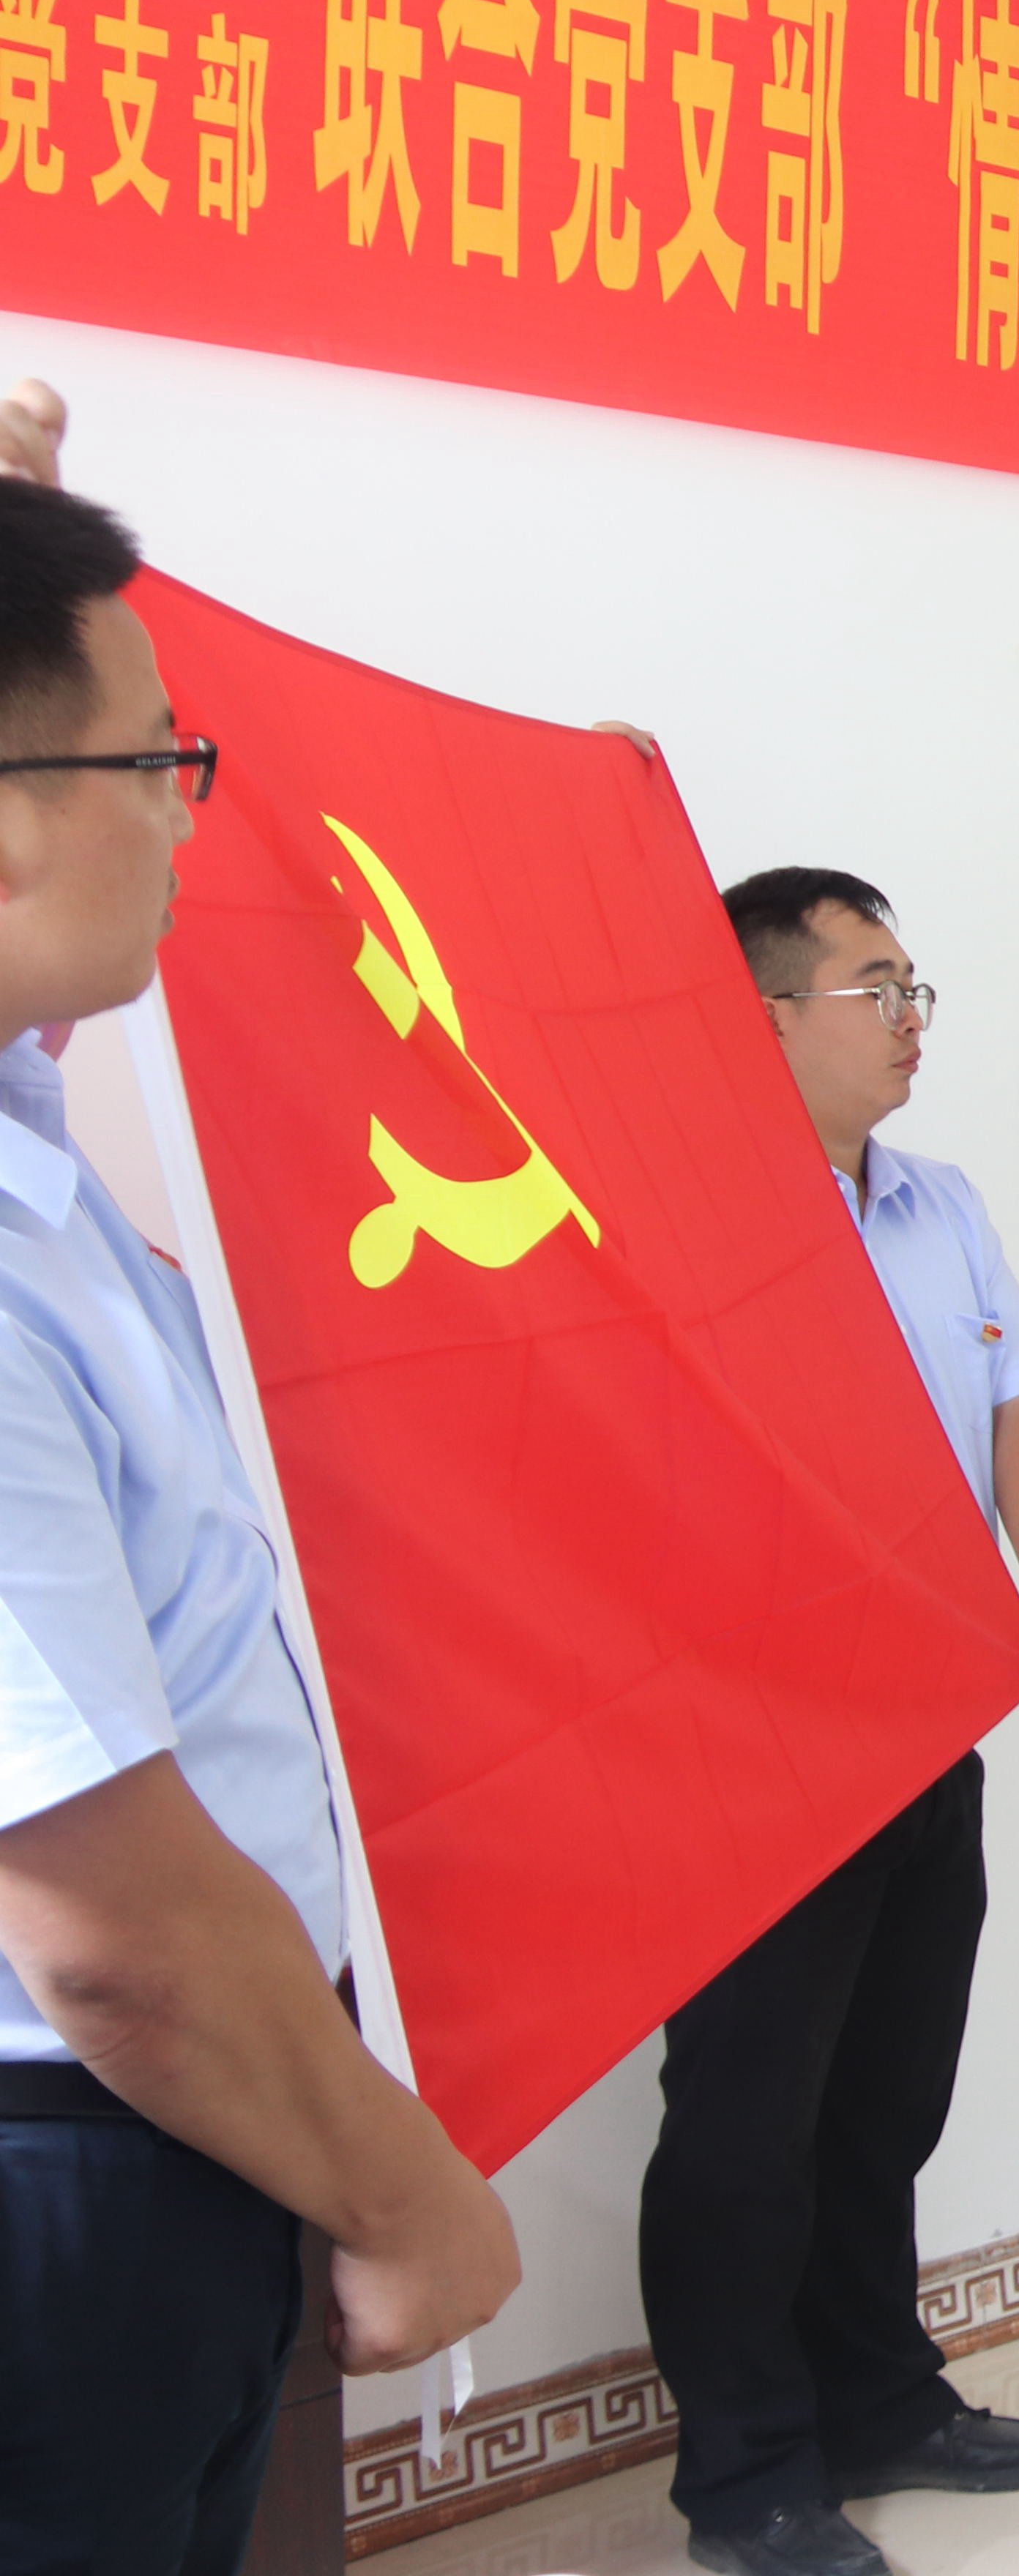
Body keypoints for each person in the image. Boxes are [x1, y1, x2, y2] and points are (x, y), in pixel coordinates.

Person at [0, 411, 523, 2576]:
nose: (185, 819)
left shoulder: (33, 1153)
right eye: (158, 762)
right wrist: (409, 2198)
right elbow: (109, 1926)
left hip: (155, 2131)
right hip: (76, 2156)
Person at [637, 868, 1019, 2576]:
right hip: (751, 1738)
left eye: (918, 983)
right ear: (762, 1014)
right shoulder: (677, 1219)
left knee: (885, 2090)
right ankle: (747, 2474)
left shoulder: (941, 1203)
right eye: (874, 986)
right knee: (747, 2117)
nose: (912, 1016)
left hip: (924, 1715)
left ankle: (879, 2398)